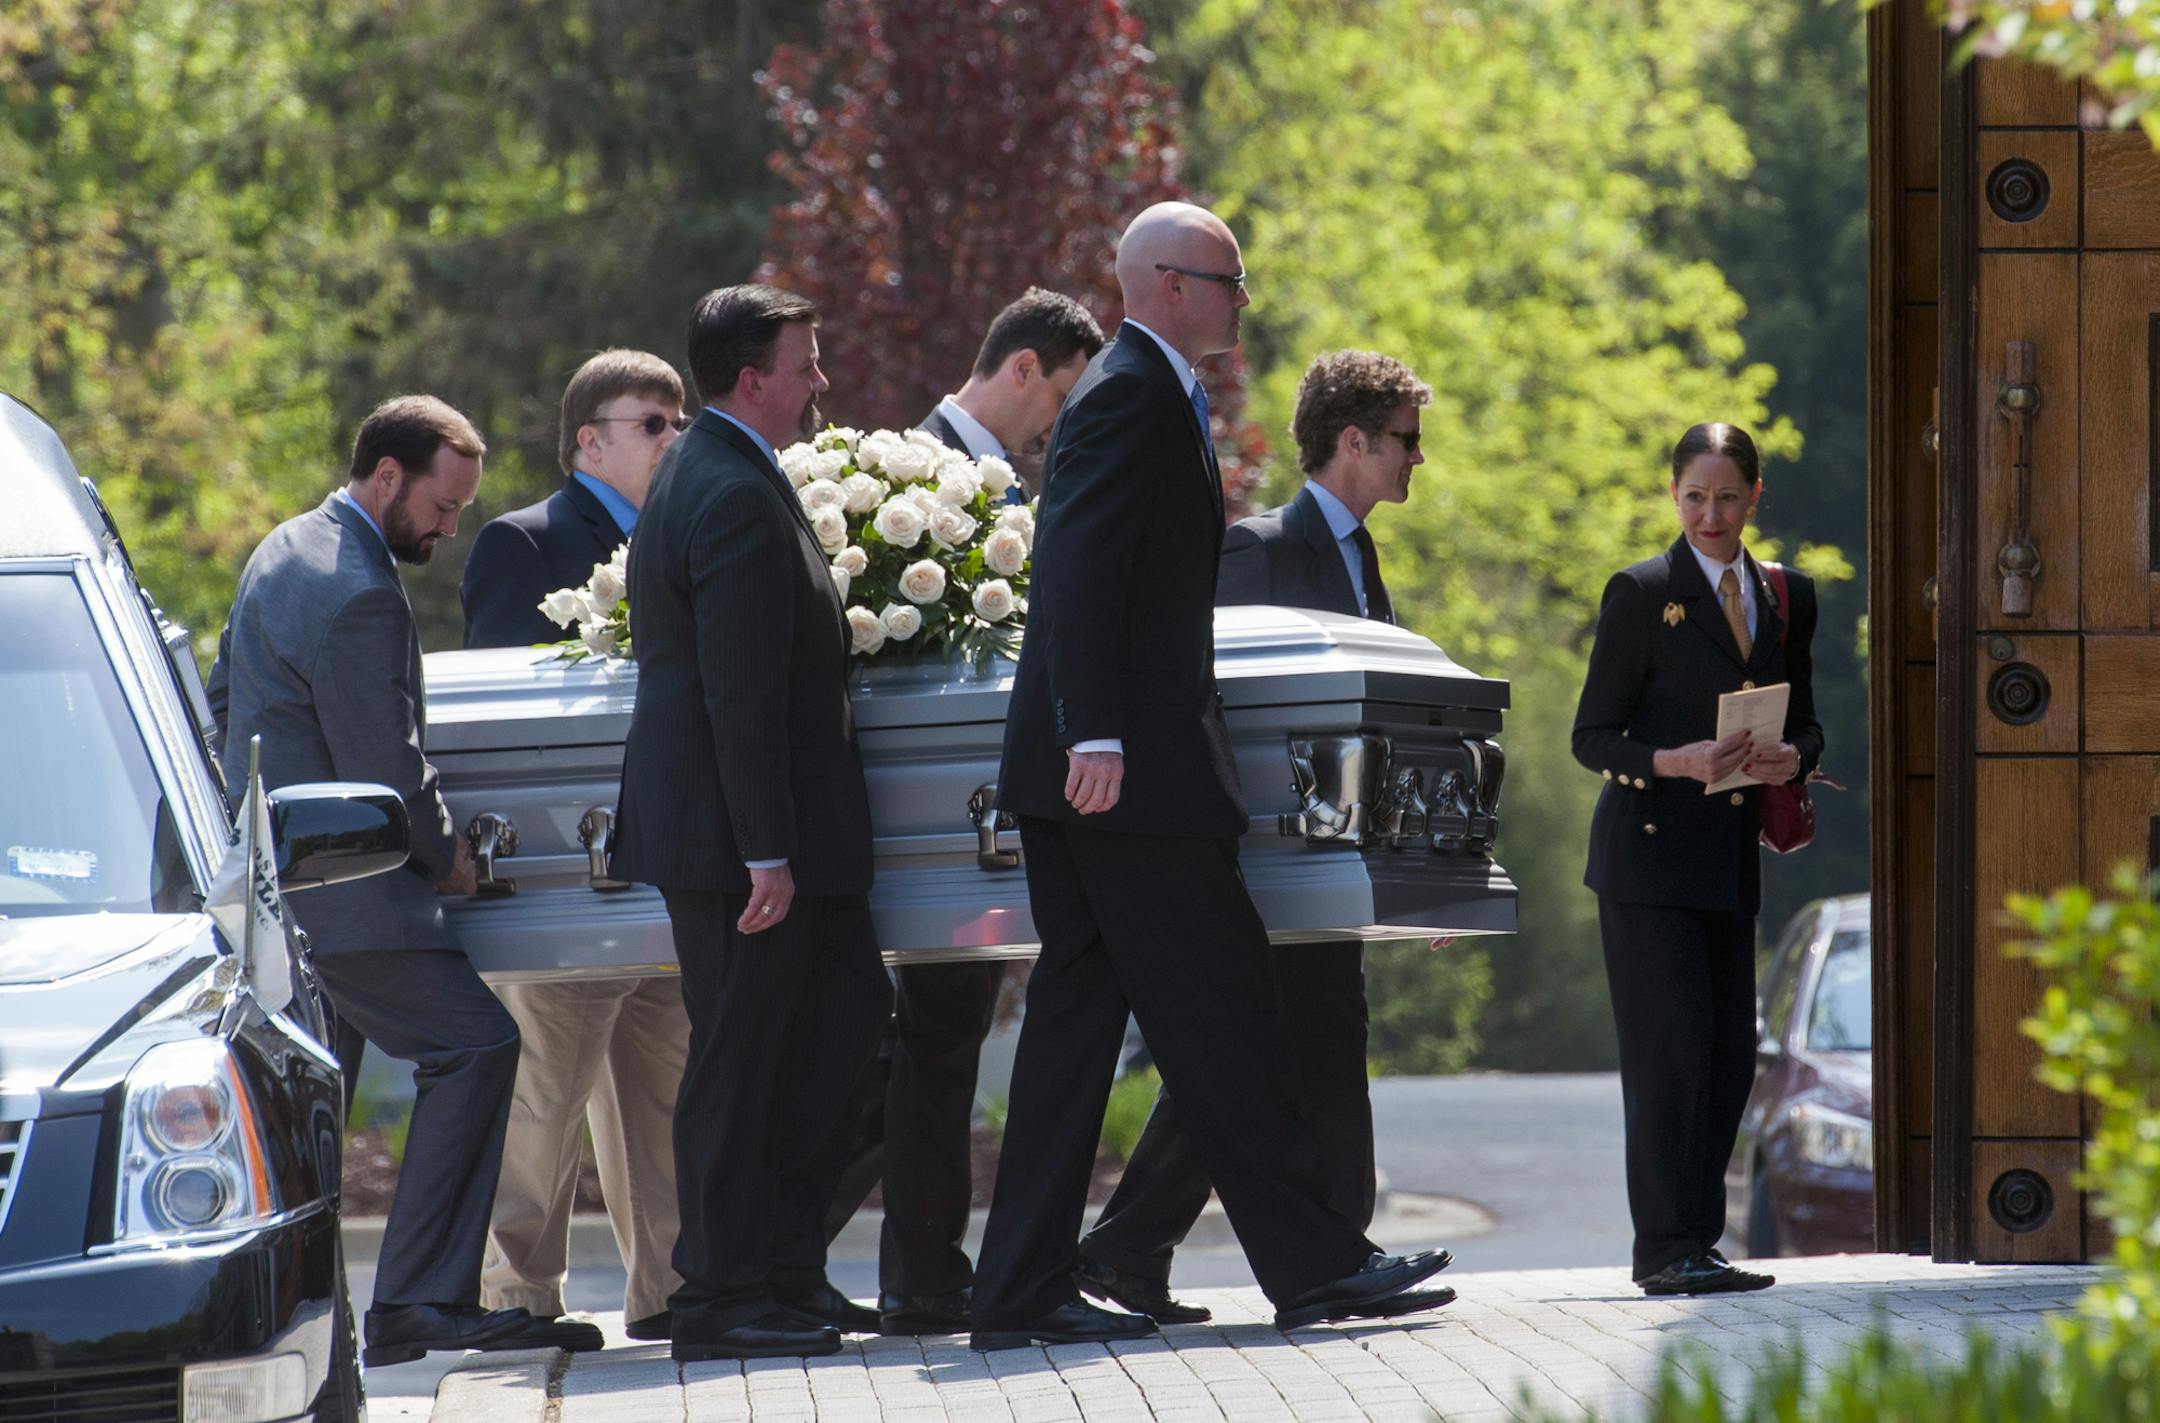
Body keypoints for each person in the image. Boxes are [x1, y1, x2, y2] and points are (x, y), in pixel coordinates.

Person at [970, 201, 1455, 1351]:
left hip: (1112, 774)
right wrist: (1092, 729)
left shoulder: (1155, 391)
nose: (1246, 298)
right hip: (1122, 779)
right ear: (1171, 285)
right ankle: (1316, 1264)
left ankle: (1019, 1287)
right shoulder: (1129, 392)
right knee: (1233, 1012)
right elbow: (1076, 571)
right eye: (1232, 280)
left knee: (1079, 1035)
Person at [1075, 349, 1432, 1323]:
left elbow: (1379, 721)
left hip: (1335, 860)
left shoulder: (1365, 557)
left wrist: (1417, 868)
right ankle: (1326, 1255)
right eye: (1406, 440)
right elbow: (1217, 710)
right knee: (1272, 1049)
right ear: (1351, 440)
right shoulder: (1256, 551)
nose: (1419, 458)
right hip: (1267, 862)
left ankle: (1131, 1249)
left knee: (1299, 1043)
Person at [208, 395, 537, 1366]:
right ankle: (421, 1299)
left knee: (309, 1114)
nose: (450, 527)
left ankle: (290, 1306)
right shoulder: (359, 587)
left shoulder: (282, 547)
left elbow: (225, 702)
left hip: (282, 890)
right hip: (352, 892)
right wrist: (447, 853)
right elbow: (383, 764)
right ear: (386, 476)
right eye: (443, 505)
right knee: (476, 1045)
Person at [608, 285, 892, 1361]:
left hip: (768, 836)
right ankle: (721, 1294)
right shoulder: (723, 485)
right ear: (752, 377)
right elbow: (736, 684)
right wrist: (764, 847)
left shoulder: (724, 469)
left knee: (842, 1027)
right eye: (805, 363)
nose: (820, 382)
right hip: (741, 844)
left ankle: (778, 1265)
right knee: (743, 1062)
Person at [821, 288, 1104, 1337]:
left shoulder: (995, 480)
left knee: (936, 1046)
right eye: (1060, 395)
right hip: (936, 817)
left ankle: (913, 1268)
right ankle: (912, 1271)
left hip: (982, 818)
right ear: (1023, 366)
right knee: (929, 1044)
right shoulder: (909, 473)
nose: (1057, 423)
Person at [461, 350, 691, 1348]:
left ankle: (672, 1290)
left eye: (680, 420)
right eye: (653, 422)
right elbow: (507, 715)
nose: (673, 437)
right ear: (589, 440)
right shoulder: (526, 544)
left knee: (666, 1094)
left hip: (668, 866)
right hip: (568, 869)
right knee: (544, 1097)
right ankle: (518, 1295)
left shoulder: (684, 536)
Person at [1570, 421, 1824, 1297]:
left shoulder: (1788, 595)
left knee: (1726, 1058)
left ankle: (1698, 1240)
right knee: (1669, 1052)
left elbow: (1807, 717)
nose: (1709, 514)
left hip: (1728, 857)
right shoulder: (1641, 593)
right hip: (1645, 861)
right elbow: (1590, 736)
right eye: (1693, 497)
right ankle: (1663, 1247)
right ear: (1673, 496)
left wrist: (1794, 756)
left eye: (1726, 497)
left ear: (1755, 497)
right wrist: (1671, 761)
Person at [916, 287, 1104, 503]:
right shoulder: (904, 476)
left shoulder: (1017, 488)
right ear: (1025, 369)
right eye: (1064, 401)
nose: (1065, 426)